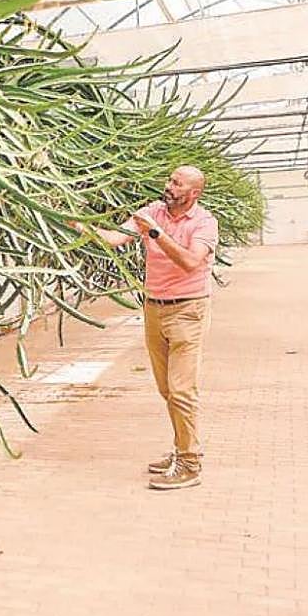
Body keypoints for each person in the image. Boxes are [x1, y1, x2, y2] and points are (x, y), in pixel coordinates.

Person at [71, 166, 219, 491]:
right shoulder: (152, 212)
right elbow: (114, 238)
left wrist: (155, 234)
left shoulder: (204, 223)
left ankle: (190, 464)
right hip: (154, 308)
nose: (168, 186)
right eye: (169, 180)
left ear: (193, 193)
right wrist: (77, 223)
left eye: (176, 184)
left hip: (188, 310)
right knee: (168, 389)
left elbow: (192, 262)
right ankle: (183, 448)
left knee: (181, 390)